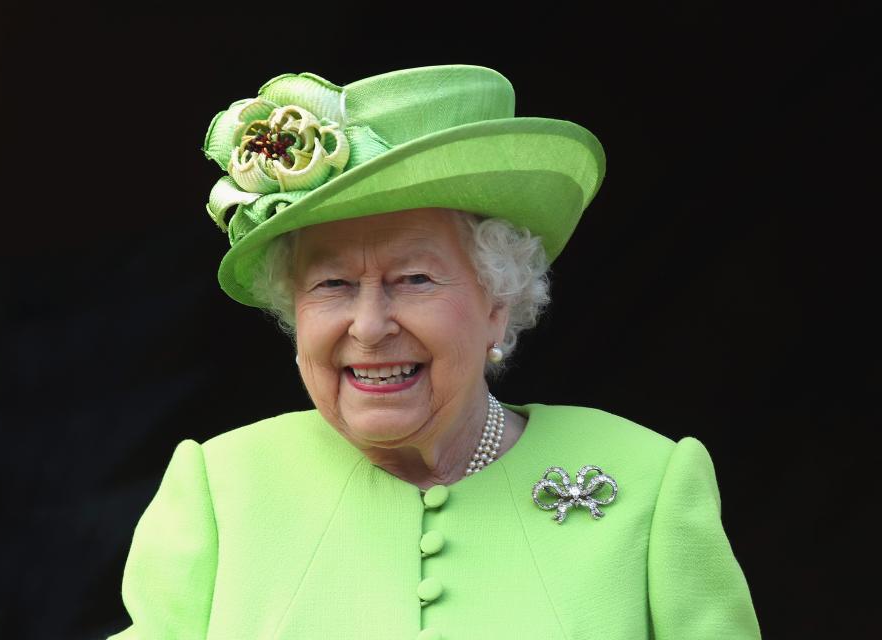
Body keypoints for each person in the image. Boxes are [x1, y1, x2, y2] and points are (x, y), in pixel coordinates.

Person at [107, 64, 761, 639]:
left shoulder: (650, 483)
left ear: (497, 302)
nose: (368, 325)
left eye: (413, 279)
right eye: (332, 284)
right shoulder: (220, 491)